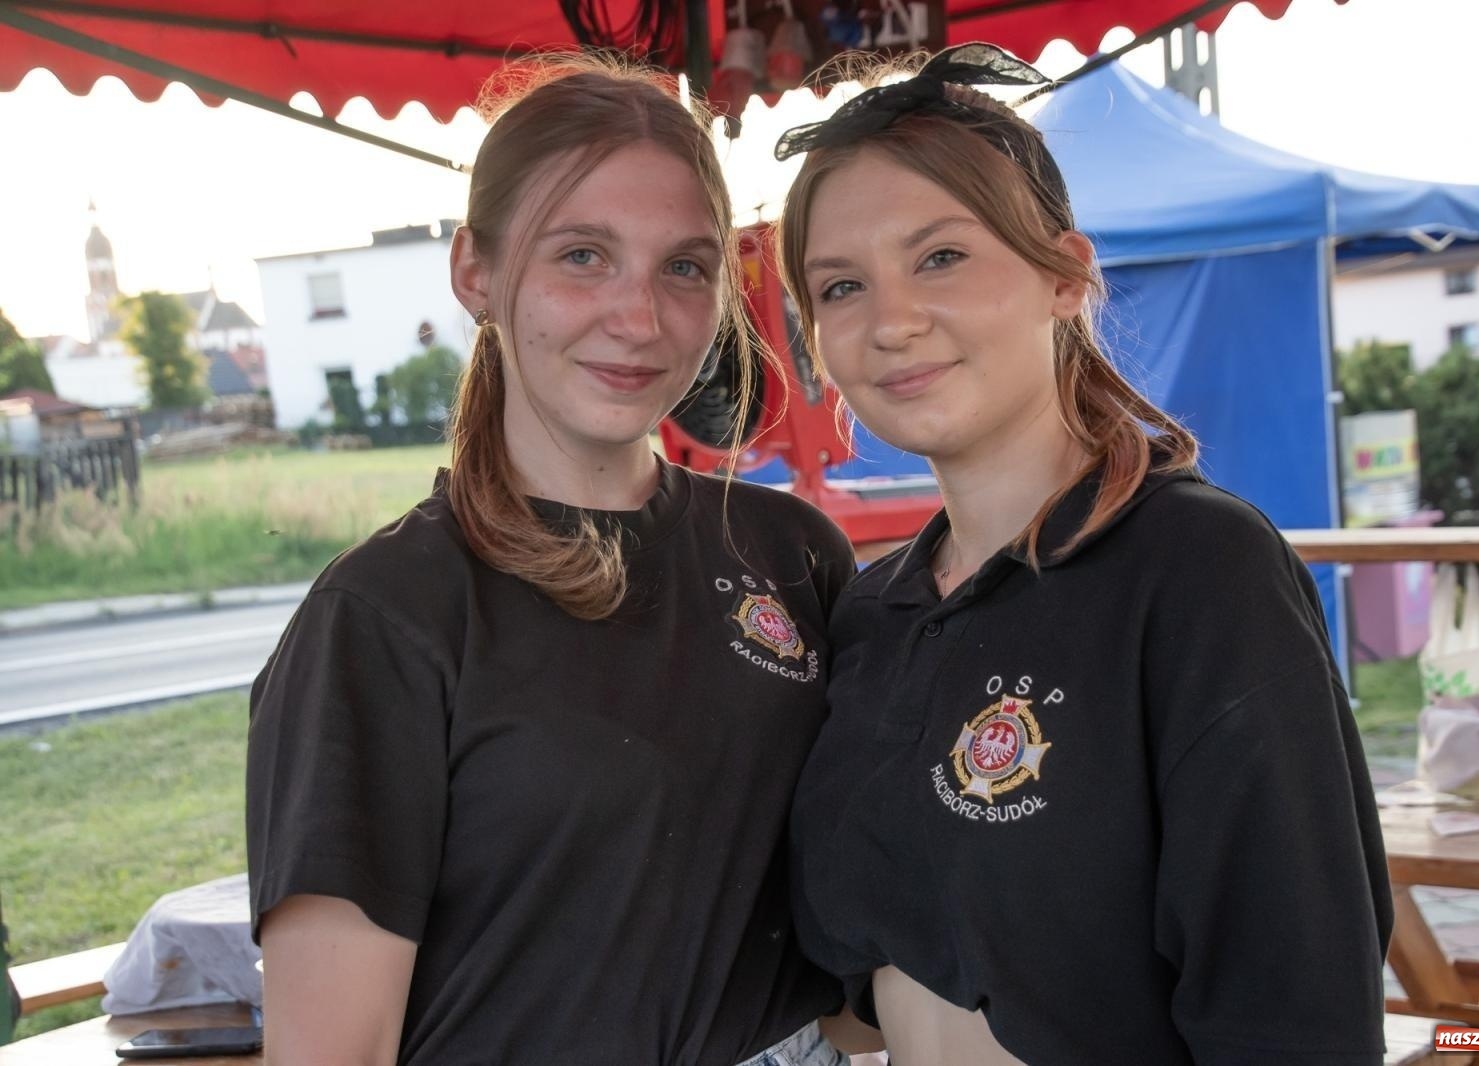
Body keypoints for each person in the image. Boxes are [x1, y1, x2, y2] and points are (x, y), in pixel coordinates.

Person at [776, 44, 1393, 1065]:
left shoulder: (1197, 572)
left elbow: (1298, 1016)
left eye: (940, 256)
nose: (890, 321)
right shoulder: (870, 612)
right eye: (840, 285)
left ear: (1064, 275)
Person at [246, 55, 860, 1065]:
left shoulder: (791, 555)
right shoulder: (388, 614)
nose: (639, 317)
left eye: (684, 266)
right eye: (582, 255)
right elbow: (331, 1049)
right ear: (475, 271)